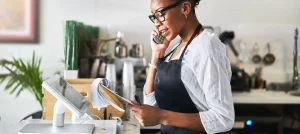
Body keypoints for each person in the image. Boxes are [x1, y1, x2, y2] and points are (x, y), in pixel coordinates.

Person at [129, 0, 235, 133]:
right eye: (154, 16)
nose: (157, 22)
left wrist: (161, 116)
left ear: (185, 8)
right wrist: (156, 54)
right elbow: (152, 105)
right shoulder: (177, 48)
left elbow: (223, 118)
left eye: (160, 13)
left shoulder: (207, 46)